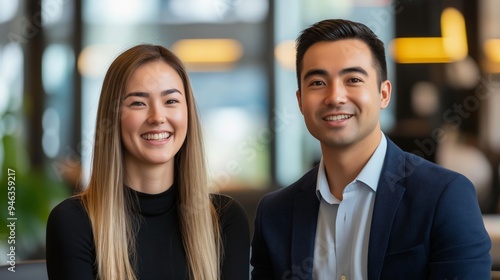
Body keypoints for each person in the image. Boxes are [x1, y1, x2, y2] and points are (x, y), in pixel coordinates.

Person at [250, 19, 492, 280]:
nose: (335, 97)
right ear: (300, 101)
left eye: (353, 79)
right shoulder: (275, 213)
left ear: (384, 94)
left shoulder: (444, 196)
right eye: (318, 83)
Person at [46, 44, 250, 280]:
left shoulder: (225, 220)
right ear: (112, 117)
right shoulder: (74, 223)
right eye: (138, 103)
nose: (157, 117)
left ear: (188, 113)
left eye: (171, 101)